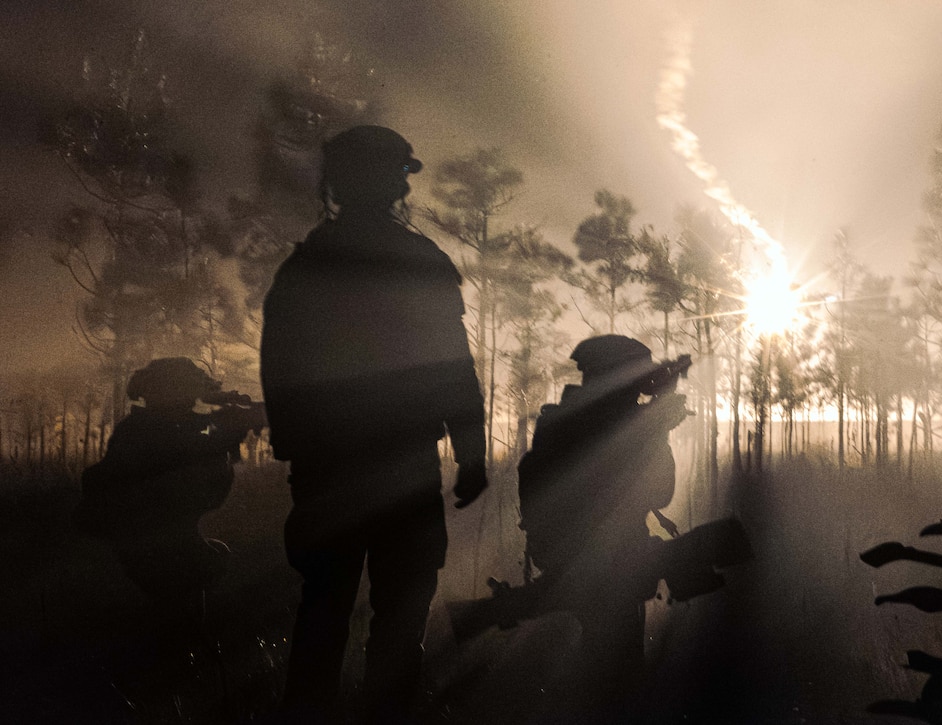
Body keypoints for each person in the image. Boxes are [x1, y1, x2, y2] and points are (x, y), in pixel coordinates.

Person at [259, 125, 488, 723]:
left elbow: (279, 367)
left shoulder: (305, 266)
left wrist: (295, 447)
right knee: (401, 609)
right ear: (394, 182)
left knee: (325, 606)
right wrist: (470, 453)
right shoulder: (418, 260)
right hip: (401, 466)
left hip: (329, 467)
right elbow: (451, 366)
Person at [517, 334, 688, 721]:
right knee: (614, 667)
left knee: (602, 657)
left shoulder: (562, 420)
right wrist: (656, 427)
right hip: (607, 564)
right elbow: (660, 492)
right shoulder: (618, 425)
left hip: (569, 557)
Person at [75, 357, 265, 615]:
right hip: (152, 548)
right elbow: (197, 493)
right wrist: (227, 436)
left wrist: (227, 434)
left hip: (154, 544)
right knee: (190, 586)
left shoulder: (147, 428)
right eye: (186, 393)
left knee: (207, 565)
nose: (192, 401)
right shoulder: (143, 433)